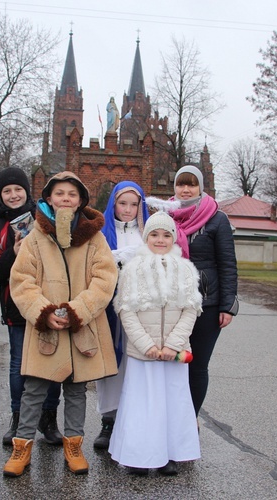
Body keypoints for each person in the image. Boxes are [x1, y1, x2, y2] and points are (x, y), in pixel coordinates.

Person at [3, 171, 118, 477]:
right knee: (34, 389)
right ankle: (22, 446)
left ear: (81, 200)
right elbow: (22, 280)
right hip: (45, 325)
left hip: (82, 326)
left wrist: (79, 310)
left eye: (72, 194)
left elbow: (105, 279)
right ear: (49, 198)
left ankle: (74, 445)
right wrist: (42, 311)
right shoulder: (35, 237)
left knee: (77, 390)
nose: (66, 198)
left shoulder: (95, 236)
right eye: (60, 193)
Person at [108, 211, 202, 476]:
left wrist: (173, 344)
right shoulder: (133, 269)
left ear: (174, 238)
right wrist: (145, 344)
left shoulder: (184, 269)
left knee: (172, 402)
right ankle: (138, 456)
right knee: (142, 404)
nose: (160, 240)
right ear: (146, 237)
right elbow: (125, 310)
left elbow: (191, 310)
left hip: (174, 352)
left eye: (166, 235)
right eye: (154, 234)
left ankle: (171, 453)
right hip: (143, 352)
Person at [147, 165, 239, 417]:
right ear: (174, 187)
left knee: (196, 364)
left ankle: (190, 418)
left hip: (206, 304)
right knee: (171, 362)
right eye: (181, 184)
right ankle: (170, 417)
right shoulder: (165, 216)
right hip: (172, 303)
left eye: (191, 184)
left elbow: (227, 264)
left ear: (200, 187)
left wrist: (227, 306)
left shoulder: (216, 218)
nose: (186, 190)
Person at [0, 167, 63, 446]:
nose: (13, 195)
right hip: (16, 308)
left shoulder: (44, 218)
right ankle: (18, 417)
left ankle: (48, 417)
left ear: (27, 191)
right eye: (7, 191)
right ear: (1, 195)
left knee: (53, 362)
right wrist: (12, 254)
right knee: (19, 365)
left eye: (18, 189)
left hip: (49, 302)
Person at [93, 181, 149, 449]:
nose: (127, 210)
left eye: (133, 204)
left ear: (141, 206)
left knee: (136, 365)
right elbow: (94, 264)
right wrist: (118, 257)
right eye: (122, 203)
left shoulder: (147, 233)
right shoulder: (101, 233)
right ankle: (109, 421)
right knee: (111, 366)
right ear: (113, 203)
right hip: (110, 309)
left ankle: (134, 420)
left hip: (140, 312)